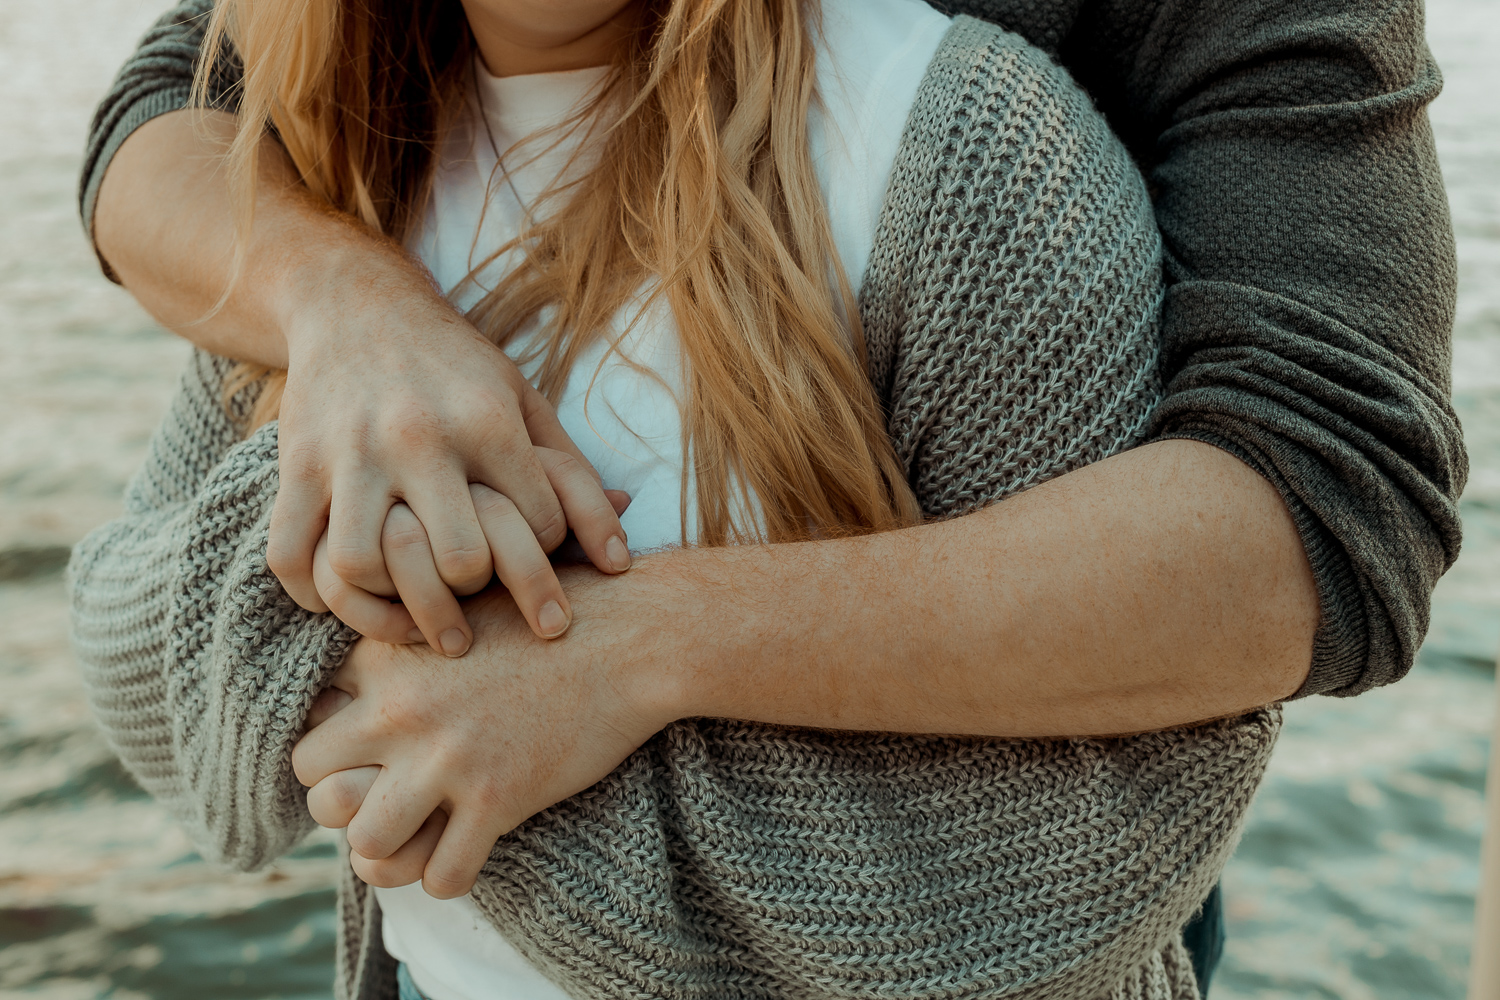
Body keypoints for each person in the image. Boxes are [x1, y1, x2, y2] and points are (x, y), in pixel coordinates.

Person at [69, 0, 1462, 998]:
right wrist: (344, 317)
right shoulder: (355, 138)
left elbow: (1315, 529)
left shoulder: (957, 157)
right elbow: (171, 105)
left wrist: (591, 674)